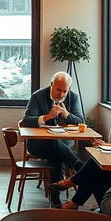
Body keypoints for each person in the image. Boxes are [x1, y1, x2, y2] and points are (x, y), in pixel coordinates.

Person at [22, 71, 84, 206]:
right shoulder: (38, 96)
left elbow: (81, 122)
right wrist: (47, 117)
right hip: (38, 144)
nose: (61, 95)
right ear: (51, 85)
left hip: (62, 145)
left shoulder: (73, 98)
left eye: (65, 91)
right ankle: (79, 167)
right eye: (58, 90)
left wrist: (67, 114)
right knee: (54, 141)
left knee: (56, 155)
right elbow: (26, 121)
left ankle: (55, 200)